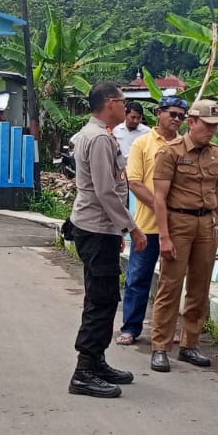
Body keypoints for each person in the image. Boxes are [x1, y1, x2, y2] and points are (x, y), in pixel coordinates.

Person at [65, 80, 146, 398]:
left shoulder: (96, 134)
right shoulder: (98, 138)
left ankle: (96, 361)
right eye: (123, 102)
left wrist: (117, 230)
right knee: (101, 299)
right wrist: (131, 227)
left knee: (104, 296)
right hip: (96, 228)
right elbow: (105, 191)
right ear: (110, 103)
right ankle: (84, 370)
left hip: (100, 229)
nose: (126, 107)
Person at [148, 99, 218, 373]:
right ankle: (160, 346)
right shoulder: (170, 152)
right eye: (207, 125)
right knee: (170, 287)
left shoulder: (217, 154)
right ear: (191, 122)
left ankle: (189, 344)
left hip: (206, 224)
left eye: (215, 127)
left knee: (199, 287)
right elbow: (159, 197)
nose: (211, 131)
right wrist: (164, 237)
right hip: (178, 222)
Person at [117, 95, 186, 346]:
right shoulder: (142, 144)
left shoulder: (186, 146)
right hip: (147, 225)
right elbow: (134, 182)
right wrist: (162, 210)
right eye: (172, 114)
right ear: (159, 113)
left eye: (181, 116)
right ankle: (131, 328)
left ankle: (168, 329)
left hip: (179, 227)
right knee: (137, 276)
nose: (177, 119)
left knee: (173, 281)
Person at [112, 100, 151, 166]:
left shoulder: (147, 132)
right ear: (126, 115)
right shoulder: (116, 131)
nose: (136, 121)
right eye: (133, 117)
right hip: (121, 169)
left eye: (138, 118)